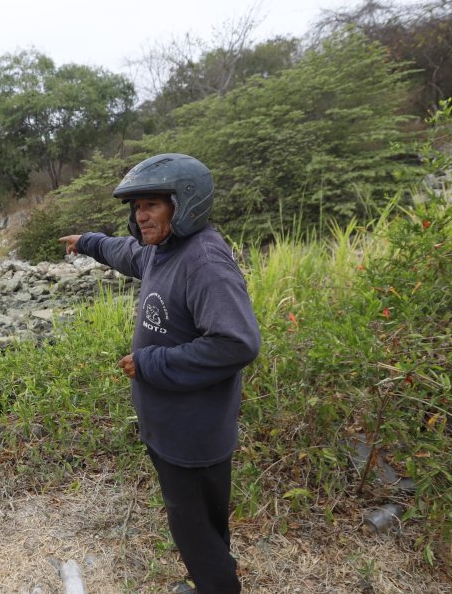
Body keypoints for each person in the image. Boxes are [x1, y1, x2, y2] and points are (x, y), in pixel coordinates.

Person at [58, 153, 260, 594]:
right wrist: (87, 242)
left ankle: (217, 586)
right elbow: (124, 251)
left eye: (151, 204)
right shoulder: (162, 251)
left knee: (194, 532)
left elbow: (237, 341)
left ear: (184, 204)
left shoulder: (204, 261)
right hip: (171, 429)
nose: (140, 215)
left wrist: (150, 362)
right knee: (204, 525)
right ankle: (213, 578)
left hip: (192, 435)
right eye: (135, 207)